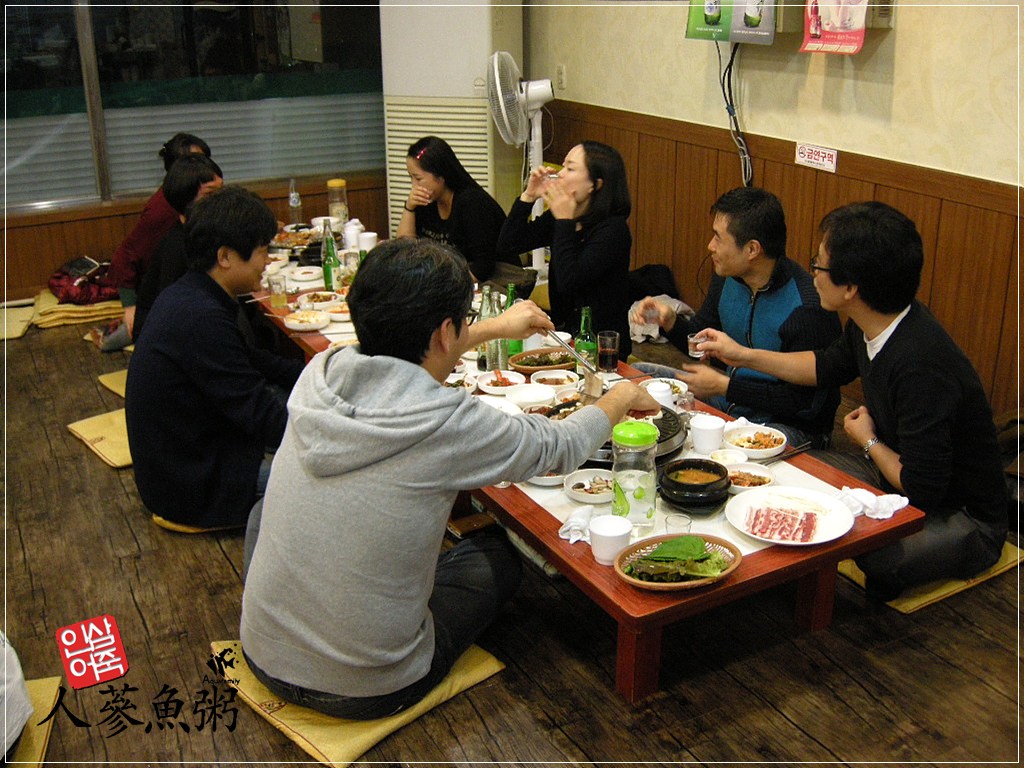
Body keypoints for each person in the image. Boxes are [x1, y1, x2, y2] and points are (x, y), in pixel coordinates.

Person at [240, 238, 659, 719]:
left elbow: (415, 350)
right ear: (445, 332)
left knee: (267, 512)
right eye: (463, 320)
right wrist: (621, 396)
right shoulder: (442, 420)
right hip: (368, 687)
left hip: (263, 651)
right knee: (498, 557)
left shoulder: (321, 372)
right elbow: (557, 447)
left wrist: (493, 327)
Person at [699, 201, 1008, 598]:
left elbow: (923, 487)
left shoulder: (921, 364)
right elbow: (824, 366)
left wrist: (868, 440)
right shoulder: (872, 322)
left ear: (850, 288)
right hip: (890, 474)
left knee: (876, 556)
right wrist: (741, 355)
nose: (812, 273)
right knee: (784, 474)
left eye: (819, 265)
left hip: (962, 513)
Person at [125, 186, 303, 531]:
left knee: (297, 399)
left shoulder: (193, 292)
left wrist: (317, 375)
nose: (268, 262)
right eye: (263, 251)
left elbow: (253, 360)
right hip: (193, 485)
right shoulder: (201, 318)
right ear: (225, 257)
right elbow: (259, 414)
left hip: (193, 454)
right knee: (330, 478)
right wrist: (335, 439)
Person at [631, 187, 841, 447]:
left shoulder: (807, 307)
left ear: (752, 249)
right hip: (731, 398)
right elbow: (700, 343)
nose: (710, 246)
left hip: (788, 425)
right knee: (638, 375)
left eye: (718, 238)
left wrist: (726, 386)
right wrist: (669, 321)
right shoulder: (727, 278)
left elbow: (802, 404)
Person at [497, 140, 633, 358]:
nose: (560, 174)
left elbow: (569, 281)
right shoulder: (562, 217)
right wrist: (529, 196)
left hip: (601, 347)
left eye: (570, 168)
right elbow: (508, 245)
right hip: (564, 337)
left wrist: (564, 222)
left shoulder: (613, 230)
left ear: (595, 184)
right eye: (563, 166)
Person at [98, 132, 213, 351]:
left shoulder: (201, 196)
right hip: (157, 292)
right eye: (194, 162)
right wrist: (130, 307)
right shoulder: (164, 210)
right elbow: (125, 256)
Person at [397, 135, 519, 284]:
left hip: (489, 282)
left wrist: (441, 288)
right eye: (410, 177)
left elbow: (482, 267)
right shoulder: (426, 201)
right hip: (452, 280)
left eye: (418, 178)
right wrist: (409, 207)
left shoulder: (473, 203)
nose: (414, 185)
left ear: (441, 176)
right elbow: (405, 250)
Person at [132, 154, 224, 342]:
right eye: (210, 194)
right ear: (186, 198)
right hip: (165, 338)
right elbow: (174, 309)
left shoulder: (204, 231)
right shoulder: (176, 245)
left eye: (221, 192)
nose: (221, 201)